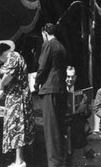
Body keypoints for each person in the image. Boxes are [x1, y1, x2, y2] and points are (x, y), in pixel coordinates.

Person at [0, 39, 35, 167]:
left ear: (1, 54)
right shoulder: (7, 63)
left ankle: (19, 161)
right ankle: (18, 160)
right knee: (14, 128)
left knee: (18, 128)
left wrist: (1, 83)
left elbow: (8, 78)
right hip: (13, 98)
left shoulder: (14, 57)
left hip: (19, 98)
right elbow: (2, 88)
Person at [34, 23, 67, 167]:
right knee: (58, 129)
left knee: (50, 129)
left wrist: (36, 83)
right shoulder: (61, 46)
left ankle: (53, 164)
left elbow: (42, 67)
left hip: (49, 90)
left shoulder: (48, 45)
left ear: (45, 33)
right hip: (60, 89)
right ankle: (59, 161)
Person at [65, 66, 96, 160]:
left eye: (72, 76)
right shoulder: (60, 89)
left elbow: (88, 113)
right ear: (64, 77)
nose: (70, 79)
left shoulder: (81, 89)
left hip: (77, 119)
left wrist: (85, 107)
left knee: (72, 125)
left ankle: (69, 154)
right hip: (64, 119)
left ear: (76, 77)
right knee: (73, 122)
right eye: (68, 76)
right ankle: (86, 147)